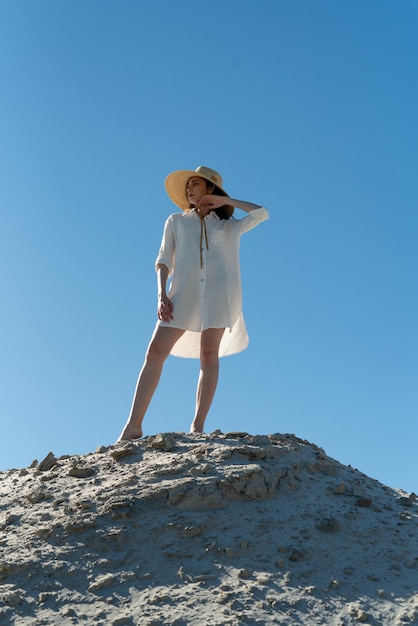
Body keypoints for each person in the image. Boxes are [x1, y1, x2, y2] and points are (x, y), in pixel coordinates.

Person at [117, 165, 269, 441]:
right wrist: (161, 294)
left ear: (210, 189)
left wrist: (226, 202)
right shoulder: (175, 221)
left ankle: (197, 426)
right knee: (154, 351)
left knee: (209, 355)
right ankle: (133, 425)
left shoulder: (229, 226)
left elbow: (261, 213)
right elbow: (163, 260)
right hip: (182, 294)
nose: (189, 189)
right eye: (188, 185)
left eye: (196, 184)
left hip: (220, 295)